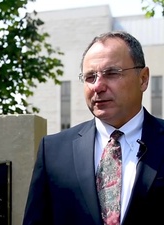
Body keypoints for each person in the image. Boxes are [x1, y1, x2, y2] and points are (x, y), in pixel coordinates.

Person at [22, 30, 164, 225]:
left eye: (112, 73)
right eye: (90, 77)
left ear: (143, 78)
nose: (98, 86)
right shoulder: (53, 151)